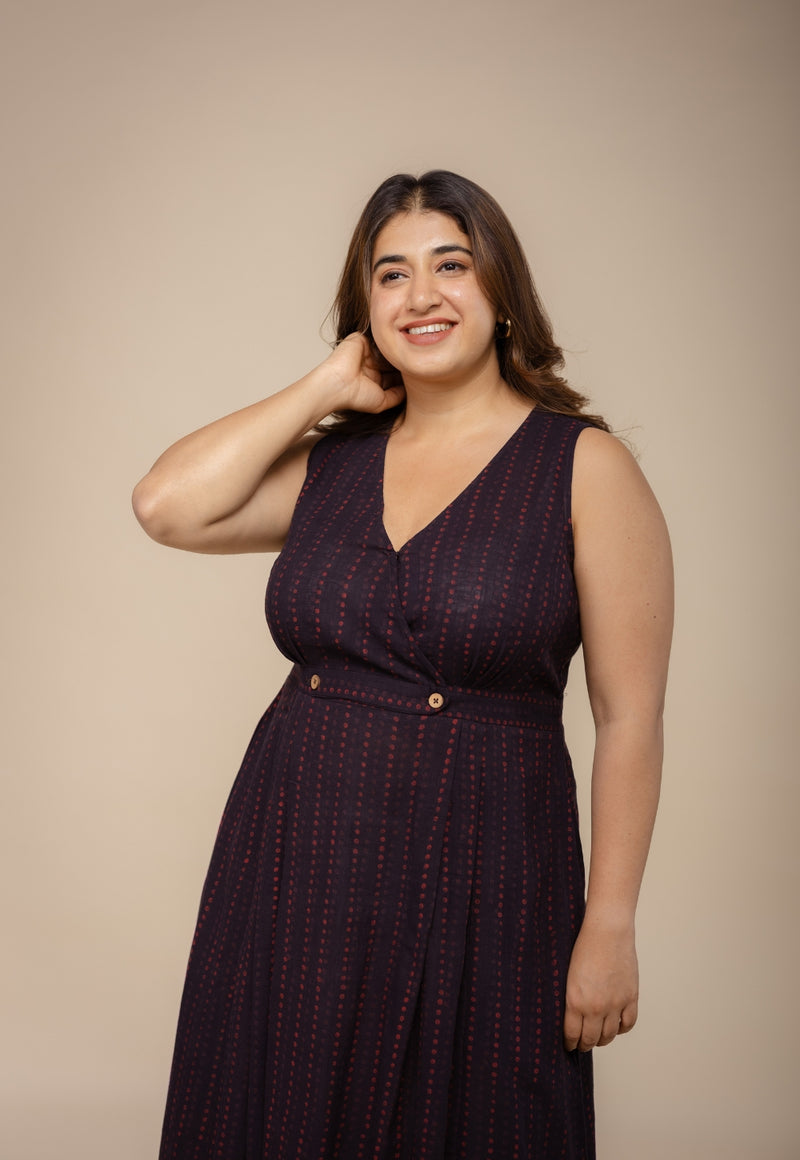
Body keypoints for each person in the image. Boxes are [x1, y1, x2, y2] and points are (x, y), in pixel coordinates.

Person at [133, 170, 673, 1160]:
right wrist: (324, 387)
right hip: (297, 855)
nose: (421, 294)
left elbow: (628, 714)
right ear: (365, 308)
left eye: (450, 265)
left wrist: (609, 922)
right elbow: (168, 505)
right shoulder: (332, 465)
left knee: (467, 1117)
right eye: (391, 275)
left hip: (487, 865)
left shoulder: (584, 467)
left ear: (501, 290)